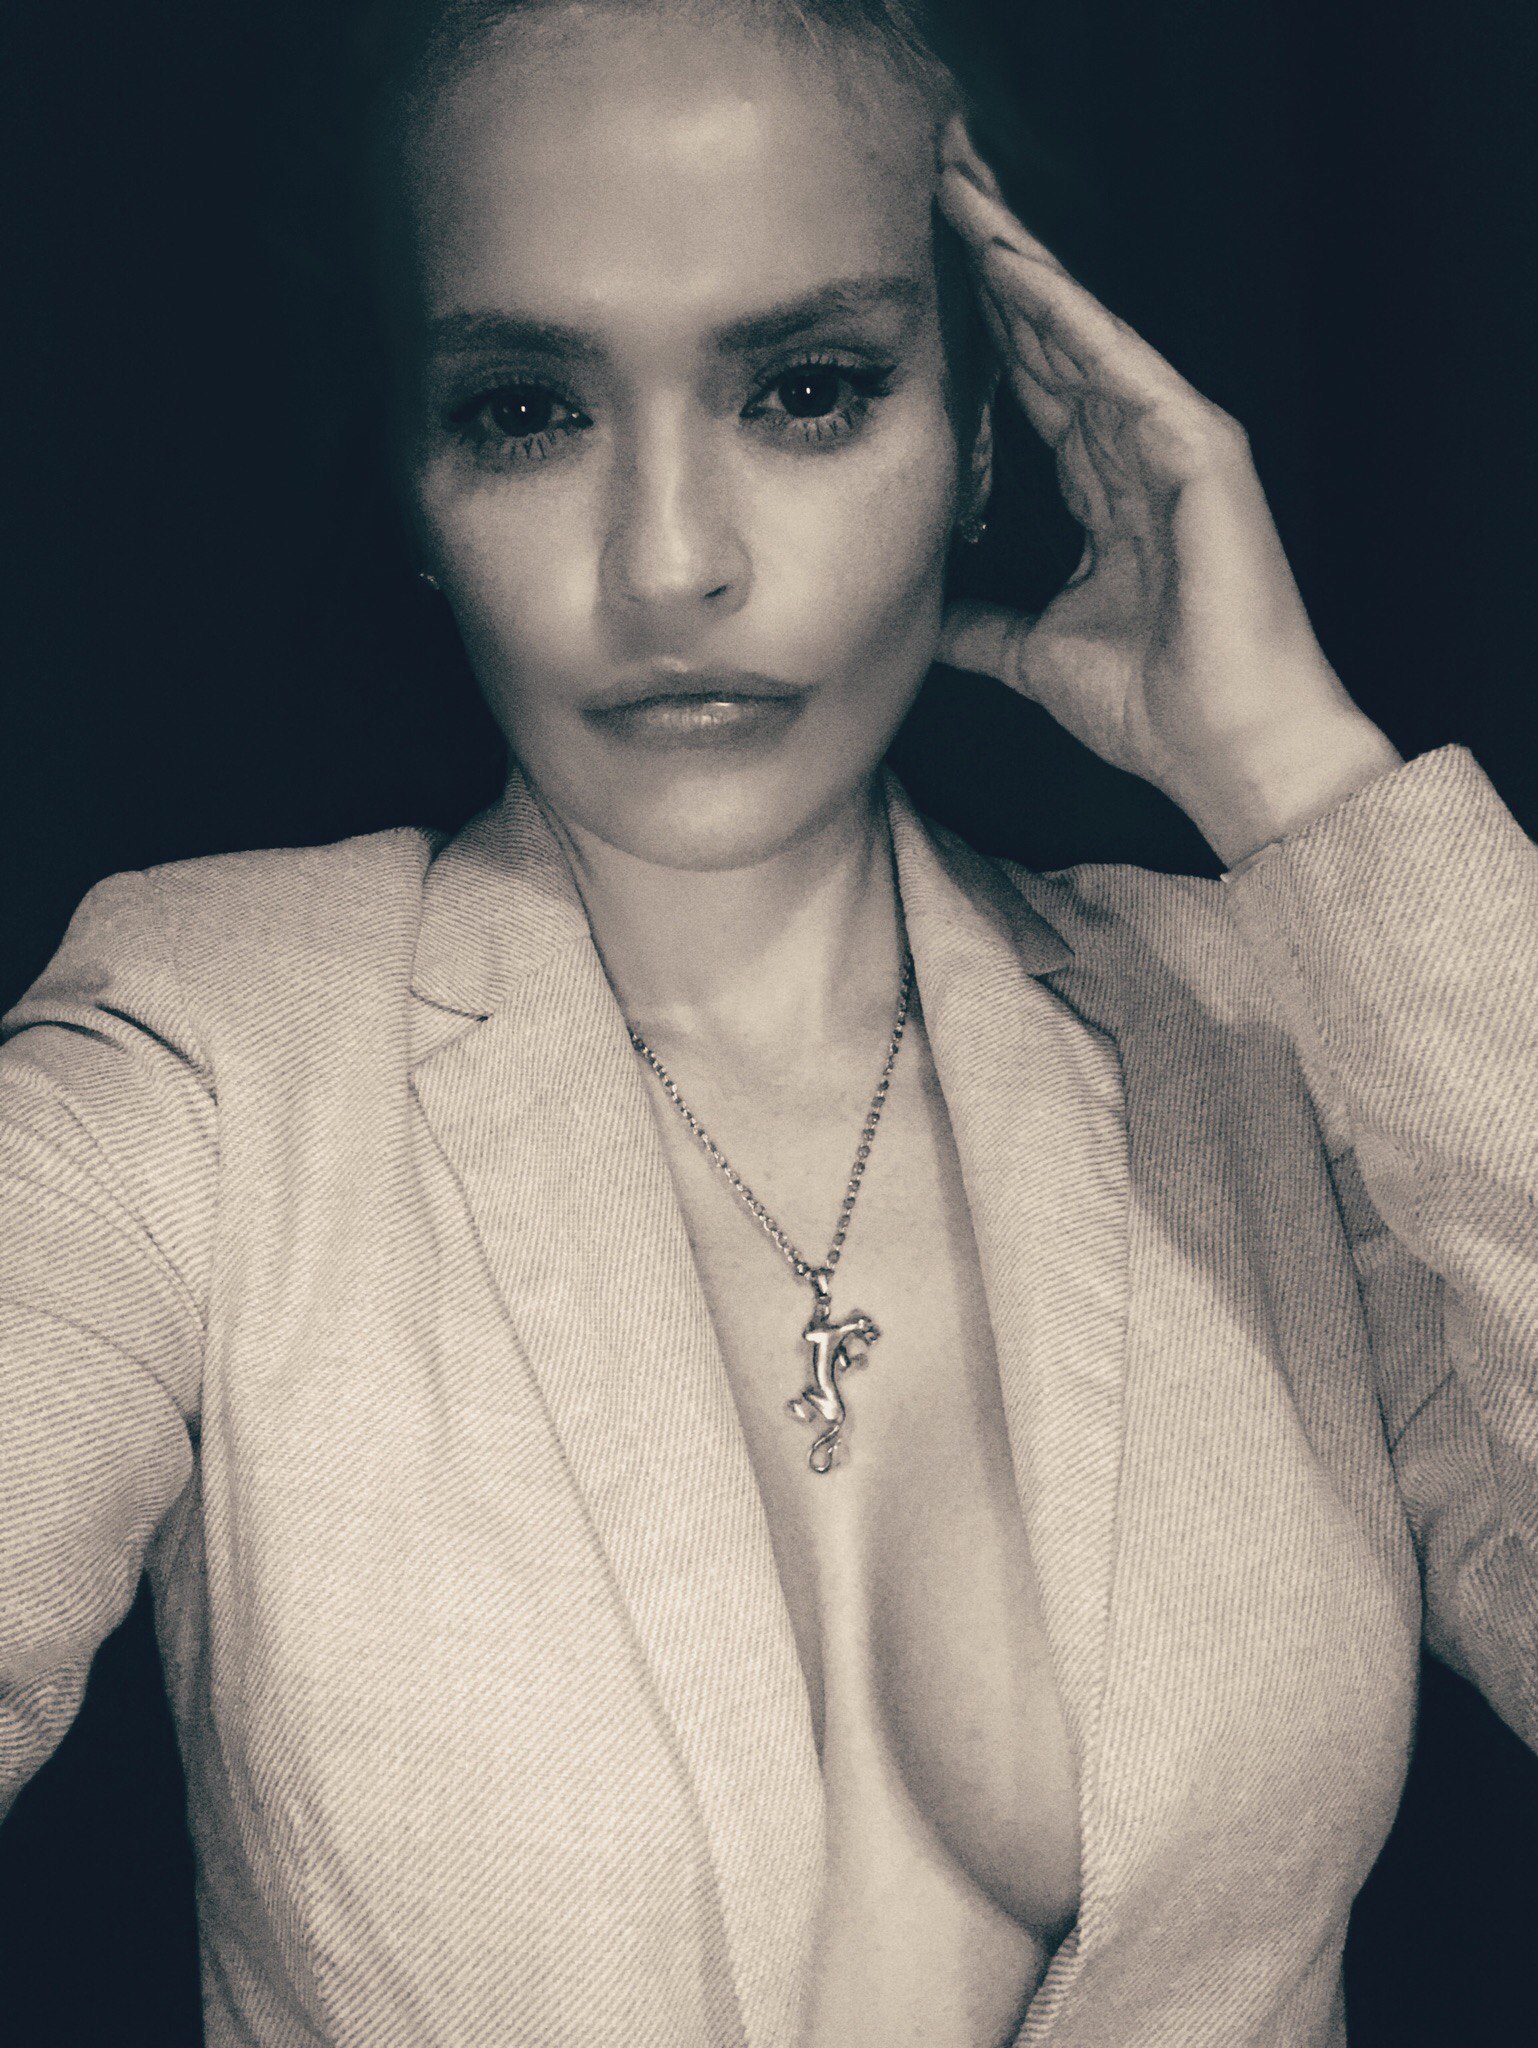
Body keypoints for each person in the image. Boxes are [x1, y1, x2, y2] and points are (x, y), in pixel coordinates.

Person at [1, 1, 1533, 2043]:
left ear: (981, 439)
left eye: (806, 390)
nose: (669, 563)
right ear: (414, 486)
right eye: (527, 411)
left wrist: (1296, 777)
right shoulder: (201, 1066)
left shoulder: (1262, 1043)